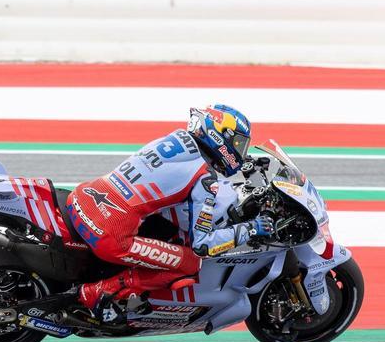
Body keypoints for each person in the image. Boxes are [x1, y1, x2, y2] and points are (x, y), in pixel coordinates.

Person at [65, 104, 276, 322]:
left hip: (84, 197)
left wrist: (244, 165)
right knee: (189, 263)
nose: (239, 152)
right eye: (238, 144)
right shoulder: (205, 179)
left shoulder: (176, 139)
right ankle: (97, 293)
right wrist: (250, 228)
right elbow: (202, 245)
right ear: (221, 136)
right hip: (111, 232)